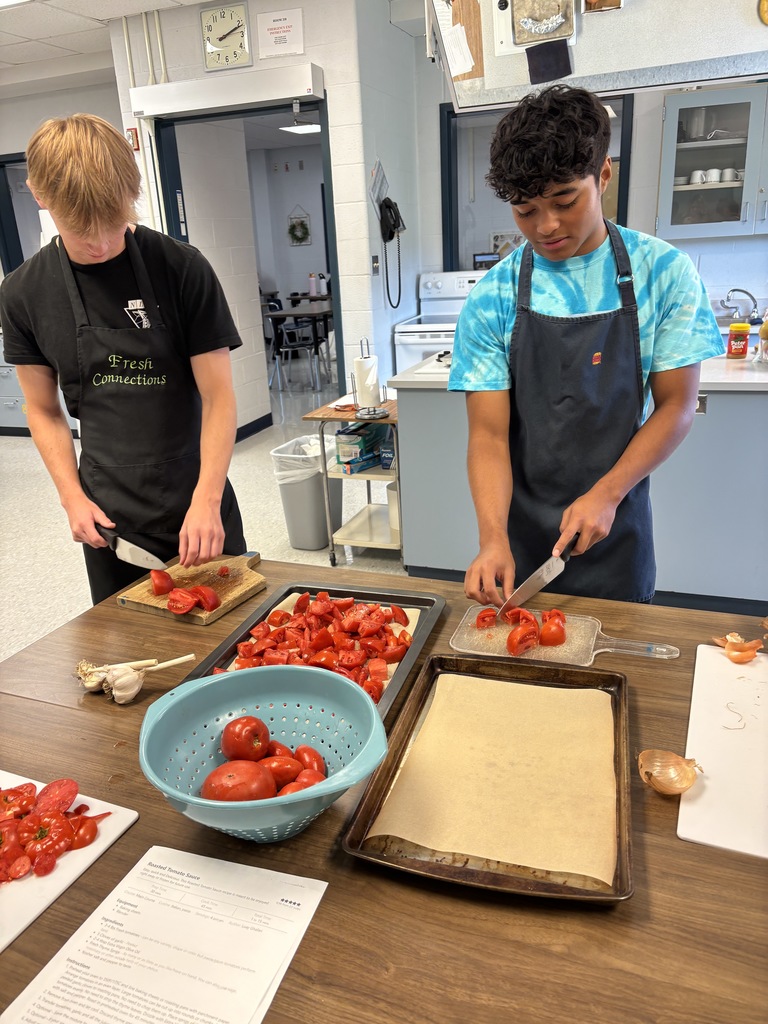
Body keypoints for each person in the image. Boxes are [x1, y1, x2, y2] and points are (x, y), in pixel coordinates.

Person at [448, 85, 723, 605]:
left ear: (603, 175)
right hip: (521, 545)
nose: (545, 226)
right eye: (525, 210)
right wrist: (492, 539)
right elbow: (488, 436)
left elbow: (676, 407)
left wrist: (607, 493)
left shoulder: (664, 273)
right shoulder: (492, 296)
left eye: (565, 202)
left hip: (617, 530)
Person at [0, 114, 247, 605]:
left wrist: (207, 499)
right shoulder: (23, 293)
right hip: (106, 516)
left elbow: (218, 397)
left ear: (132, 190)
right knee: (127, 647)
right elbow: (43, 410)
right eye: (81, 231)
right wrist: (71, 497)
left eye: (113, 226)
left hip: (197, 496)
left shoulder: (182, 268)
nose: (100, 244)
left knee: (230, 634)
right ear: (39, 195)